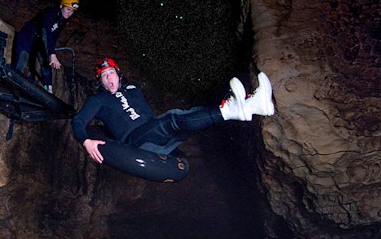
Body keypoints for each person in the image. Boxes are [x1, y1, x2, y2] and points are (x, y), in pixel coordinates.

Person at [71, 57, 275, 163]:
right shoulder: (97, 100)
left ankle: (253, 105)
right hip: (135, 141)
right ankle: (233, 110)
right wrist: (86, 140)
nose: (109, 78)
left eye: (111, 73)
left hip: (154, 135)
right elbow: (78, 121)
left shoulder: (133, 91)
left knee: (188, 113)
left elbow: (147, 116)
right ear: (100, 81)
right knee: (172, 119)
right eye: (104, 76)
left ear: (118, 74)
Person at [12, 0, 79, 92]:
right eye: (68, 9)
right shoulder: (51, 13)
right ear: (61, 6)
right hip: (27, 35)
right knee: (23, 57)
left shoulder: (62, 21)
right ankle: (14, 83)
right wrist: (52, 53)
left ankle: (48, 89)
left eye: (72, 11)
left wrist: (49, 52)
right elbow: (46, 31)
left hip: (39, 41)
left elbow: (53, 37)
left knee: (45, 63)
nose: (70, 13)